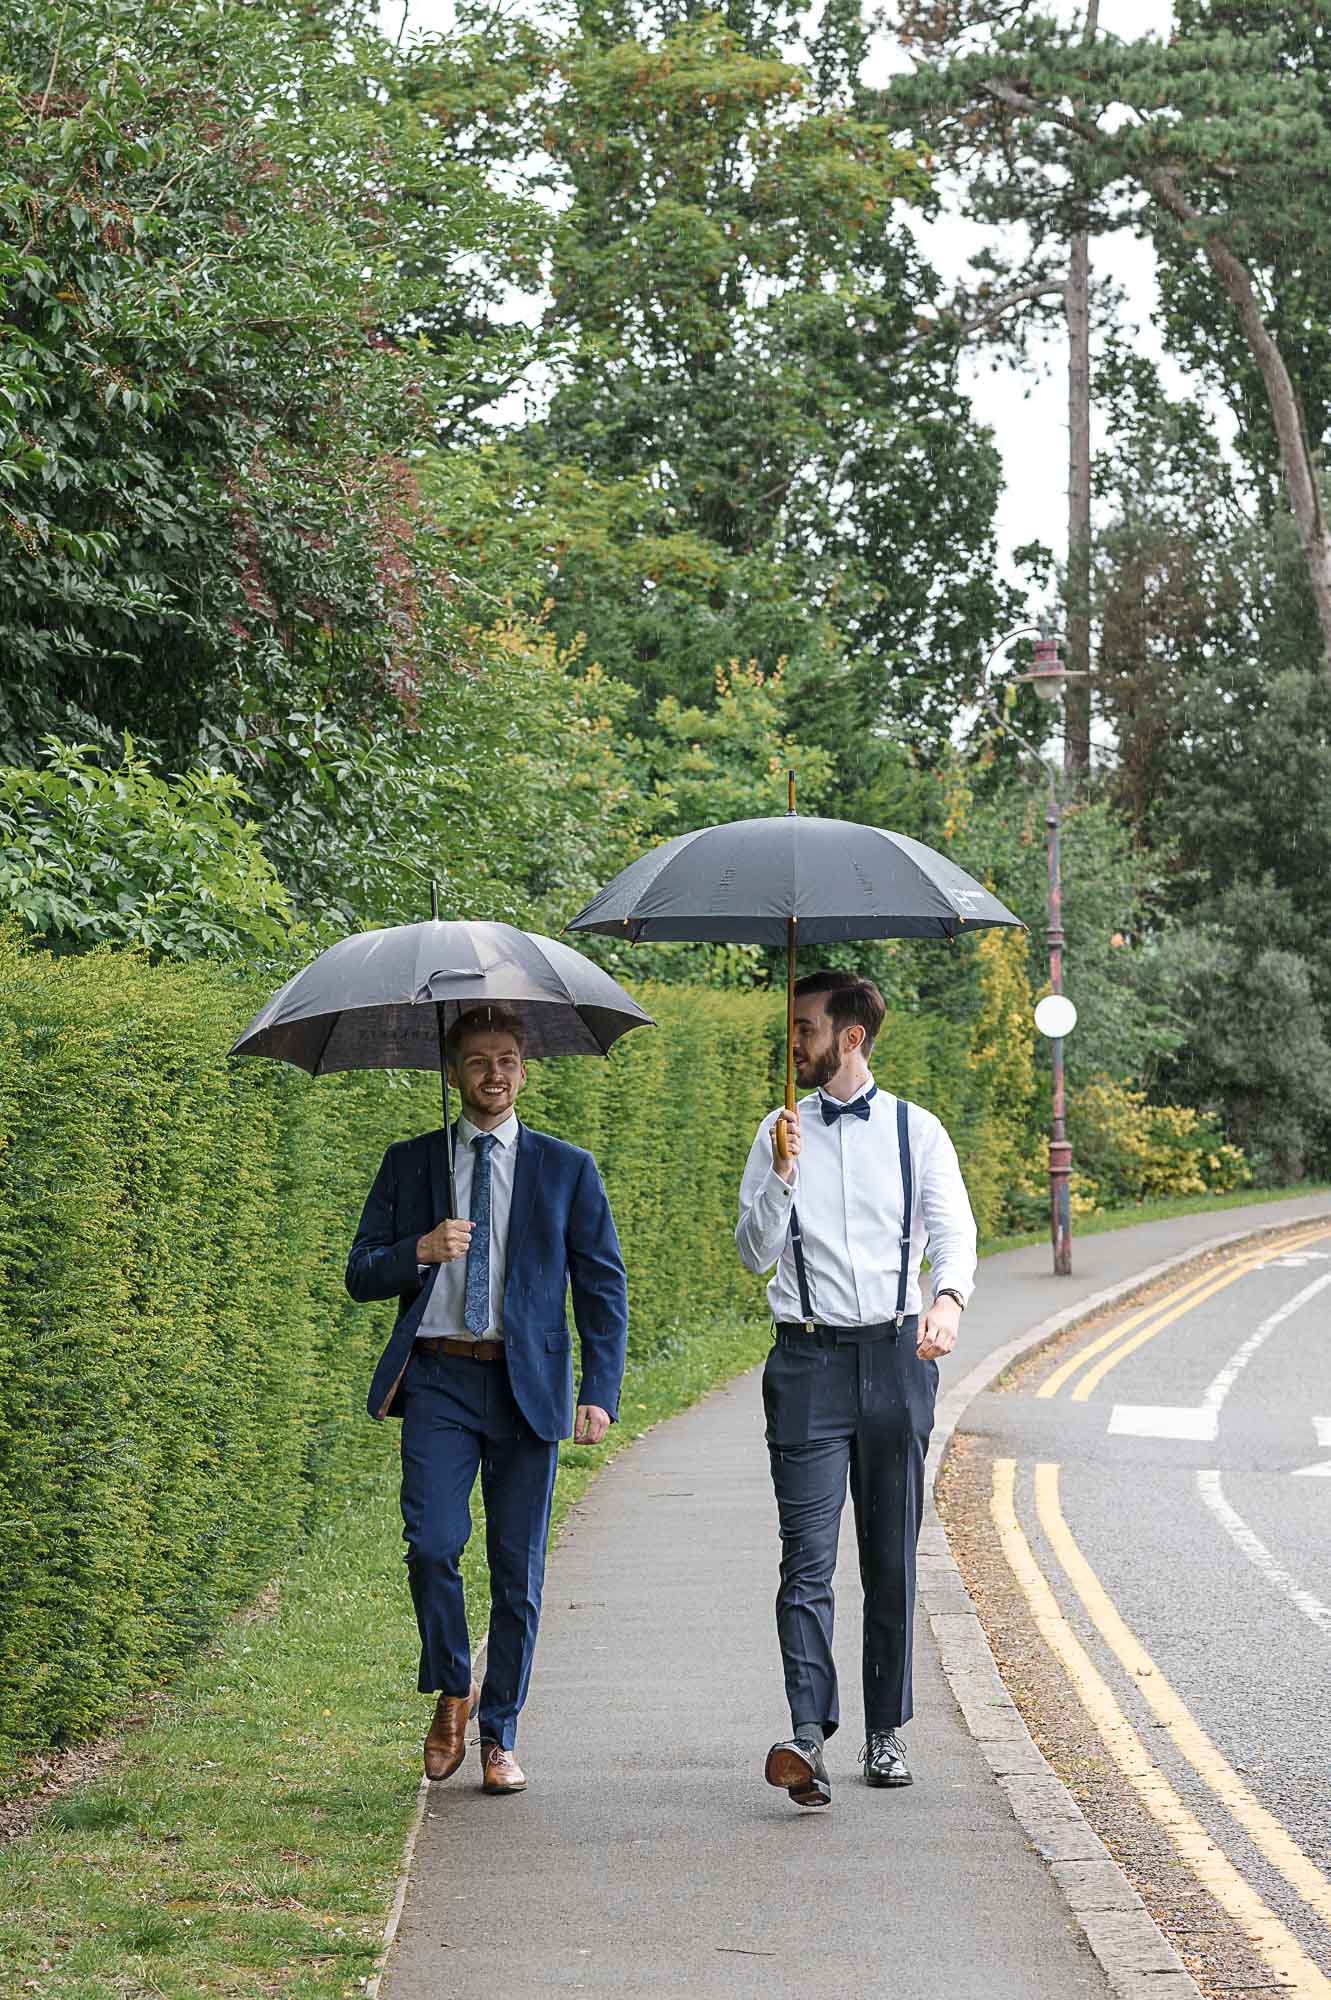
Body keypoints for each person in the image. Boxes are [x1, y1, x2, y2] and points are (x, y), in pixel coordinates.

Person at [346, 1005, 628, 1796]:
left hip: (526, 1386)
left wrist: (599, 1392)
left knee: (517, 1572)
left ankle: (500, 1734)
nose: (493, 1074)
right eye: (477, 1061)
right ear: (452, 1073)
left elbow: (602, 1287)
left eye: (506, 1060)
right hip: (438, 1378)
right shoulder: (411, 1164)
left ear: (524, 1071)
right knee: (432, 1545)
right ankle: (452, 1686)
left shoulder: (566, 1168)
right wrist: (419, 1249)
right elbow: (360, 1272)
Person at [736, 969, 977, 1809]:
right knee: (804, 1560)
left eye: (803, 1030)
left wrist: (947, 1301)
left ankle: (885, 1732)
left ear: (849, 1038)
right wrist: (781, 1175)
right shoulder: (777, 1129)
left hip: (895, 1358)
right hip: (805, 1363)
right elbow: (752, 1254)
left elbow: (952, 1232)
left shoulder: (917, 1130)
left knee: (888, 1557)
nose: (791, 1045)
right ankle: (806, 1736)